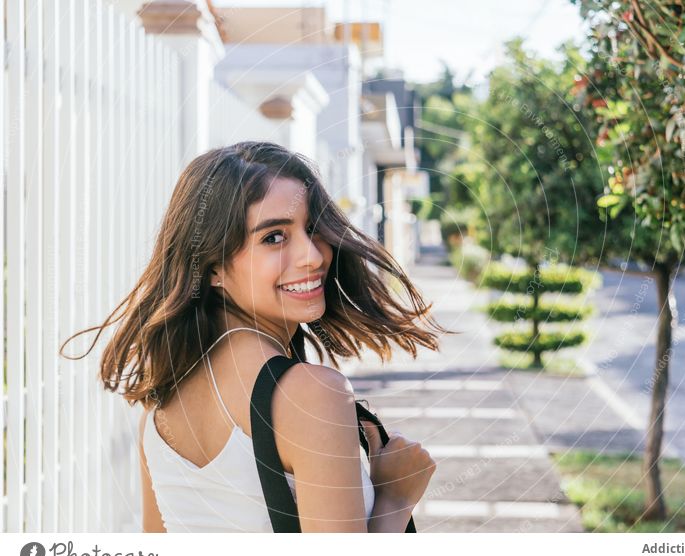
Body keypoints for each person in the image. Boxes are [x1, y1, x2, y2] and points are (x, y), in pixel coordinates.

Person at [61, 141, 451, 532]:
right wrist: (395, 498)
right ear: (212, 266)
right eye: (274, 237)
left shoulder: (160, 409)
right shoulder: (311, 395)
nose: (312, 255)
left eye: (313, 228)